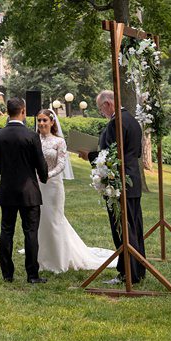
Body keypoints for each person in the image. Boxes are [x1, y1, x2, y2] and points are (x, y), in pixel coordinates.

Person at [31, 109, 114, 273]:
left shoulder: (59, 142)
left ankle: (58, 261)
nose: (41, 123)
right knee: (39, 221)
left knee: (54, 220)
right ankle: (42, 257)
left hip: (52, 185)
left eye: (44, 120)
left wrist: (47, 175)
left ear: (52, 122)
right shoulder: (34, 140)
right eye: (39, 120)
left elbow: (61, 164)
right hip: (37, 185)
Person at [80, 90, 146, 284]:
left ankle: (128, 273)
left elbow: (109, 156)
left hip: (118, 183)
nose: (102, 113)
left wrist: (89, 156)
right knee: (134, 227)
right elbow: (137, 152)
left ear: (108, 104)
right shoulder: (133, 121)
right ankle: (138, 270)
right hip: (133, 179)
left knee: (122, 229)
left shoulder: (115, 123)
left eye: (101, 109)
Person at [0, 97, 49, 284]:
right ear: (23, 111)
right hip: (28, 191)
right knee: (30, 232)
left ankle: (7, 274)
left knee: (6, 231)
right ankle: (32, 274)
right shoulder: (32, 136)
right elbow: (40, 164)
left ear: (7, 112)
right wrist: (44, 176)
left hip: (7, 190)